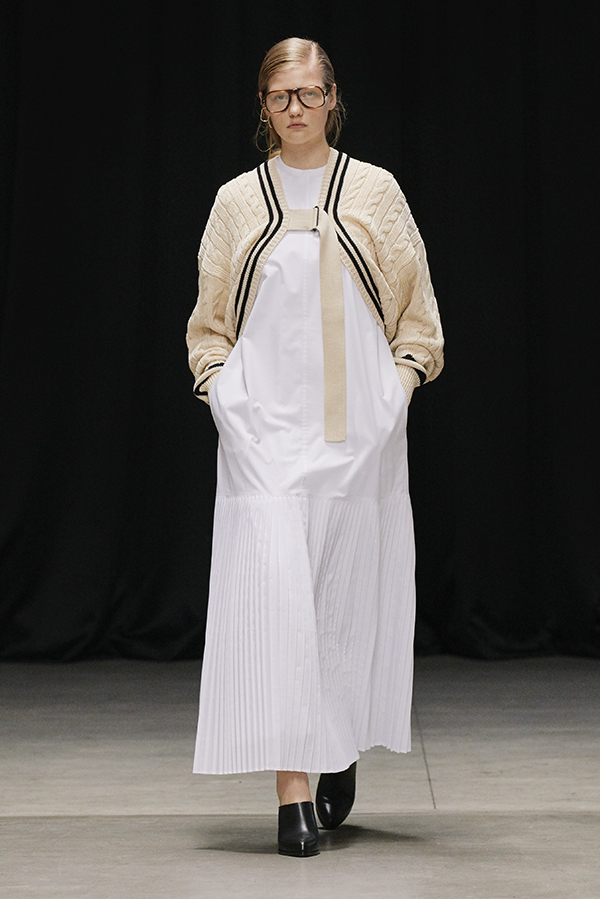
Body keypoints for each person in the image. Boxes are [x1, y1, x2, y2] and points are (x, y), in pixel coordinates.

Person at [186, 37, 443, 857]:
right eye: (279, 96)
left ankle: (336, 744)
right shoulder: (238, 201)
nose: (295, 108)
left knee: (342, 600)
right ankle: (292, 787)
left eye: (308, 93)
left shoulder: (374, 191)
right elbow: (209, 326)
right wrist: (225, 395)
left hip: (358, 434)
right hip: (264, 434)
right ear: (263, 108)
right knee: (276, 602)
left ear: (333, 97)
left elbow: (418, 316)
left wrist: (393, 393)